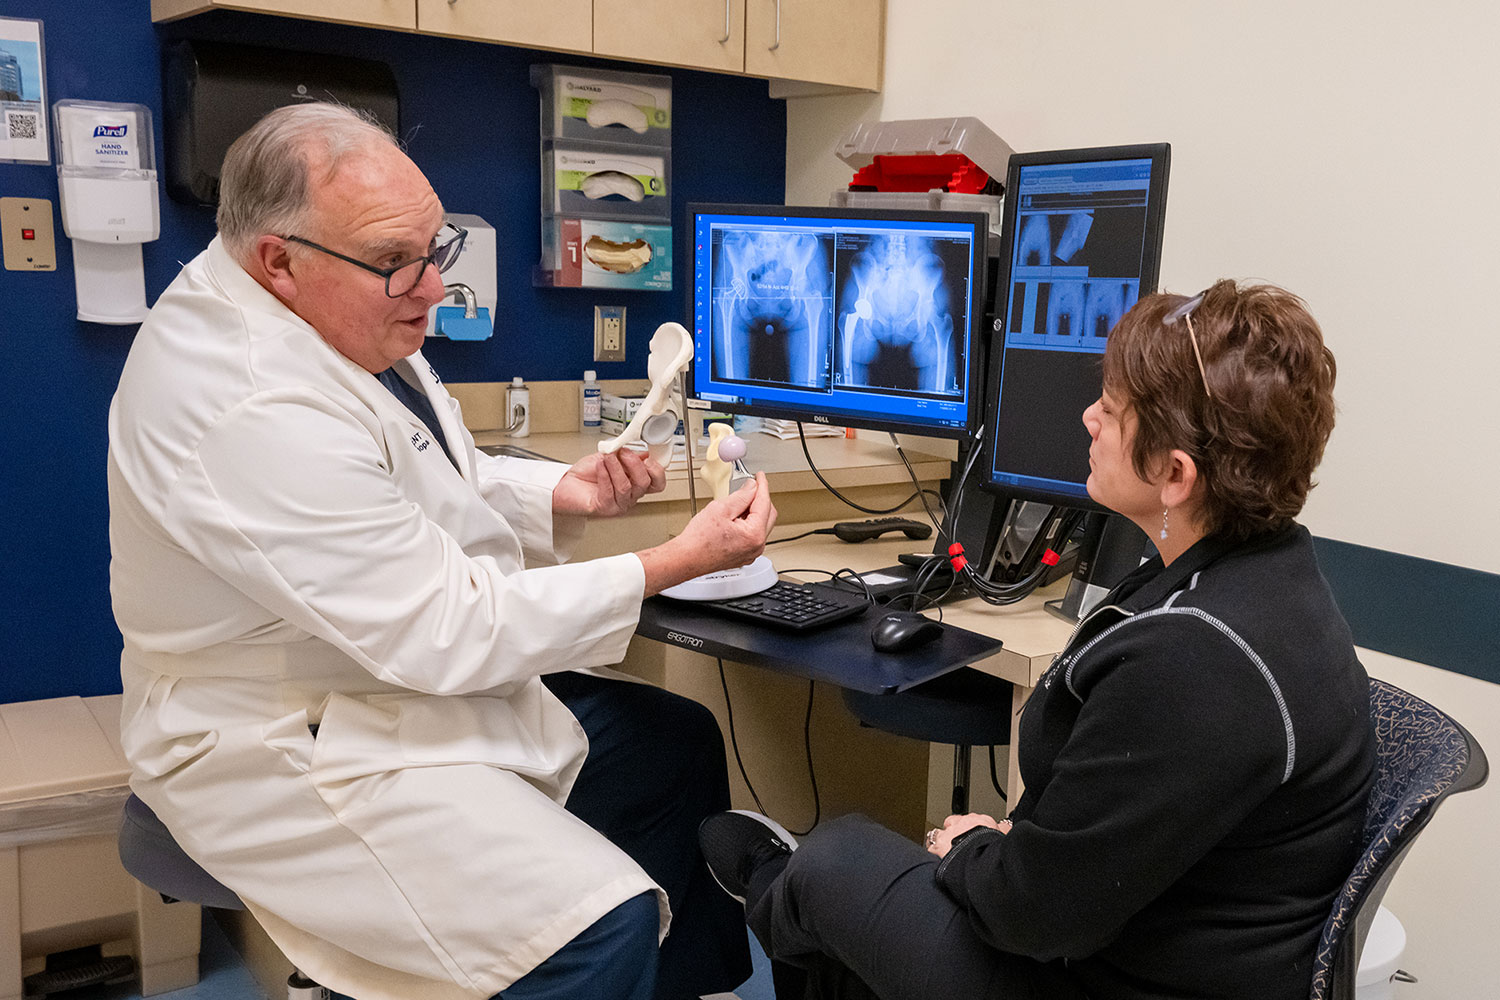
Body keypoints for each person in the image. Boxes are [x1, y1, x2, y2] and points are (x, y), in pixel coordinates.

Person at [108, 102, 777, 1000]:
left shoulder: (323, 300)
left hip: (377, 677)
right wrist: (668, 563)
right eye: (397, 263)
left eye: (437, 248)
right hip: (290, 737)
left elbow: (404, 470)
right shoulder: (249, 403)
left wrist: (555, 491)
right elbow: (443, 627)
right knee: (592, 928)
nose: (433, 287)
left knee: (672, 744)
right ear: (279, 260)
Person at [699, 280, 1375, 1000]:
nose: (1088, 417)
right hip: (1131, 931)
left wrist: (974, 850)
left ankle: (776, 885)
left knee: (835, 863)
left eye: (1112, 413)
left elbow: (1031, 920)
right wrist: (1015, 846)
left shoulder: (1197, 661)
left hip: (1103, 976)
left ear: (1175, 474)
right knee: (858, 924)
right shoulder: (1265, 577)